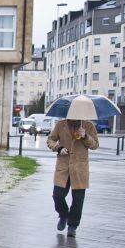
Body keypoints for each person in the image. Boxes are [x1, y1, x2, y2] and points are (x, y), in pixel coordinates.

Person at [46, 96, 99, 237]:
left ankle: (73, 226)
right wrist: (58, 148)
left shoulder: (88, 126)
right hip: (63, 167)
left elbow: (95, 145)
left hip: (80, 168)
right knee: (57, 195)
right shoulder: (60, 125)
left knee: (78, 199)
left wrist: (85, 136)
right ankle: (63, 214)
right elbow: (50, 139)